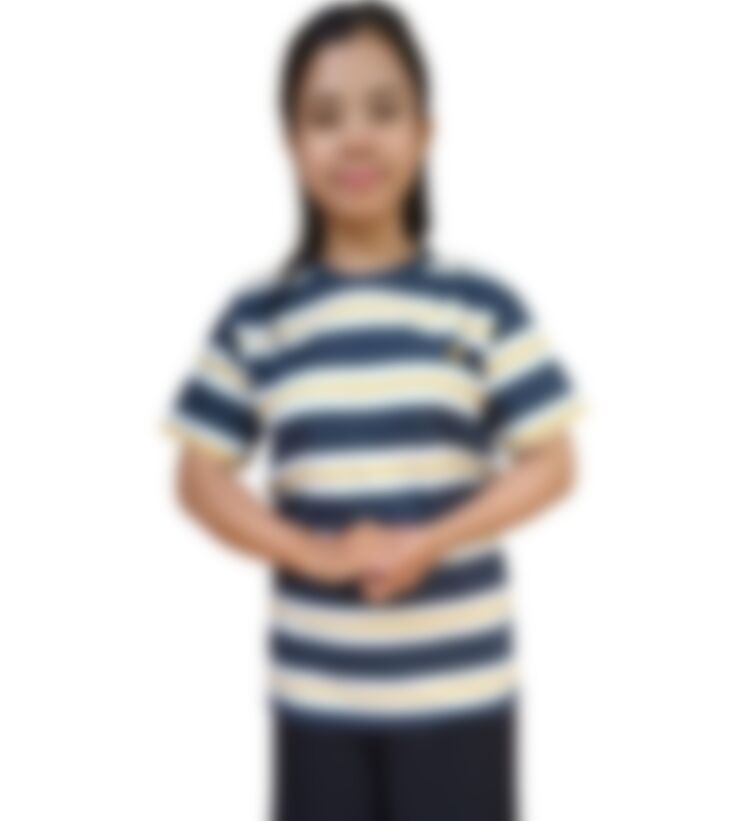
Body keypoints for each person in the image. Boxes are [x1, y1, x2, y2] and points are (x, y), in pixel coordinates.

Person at [163, 3, 585, 819]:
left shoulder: (480, 303)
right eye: (325, 117)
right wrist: (313, 554)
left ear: (424, 134)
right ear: (292, 145)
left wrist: (432, 539)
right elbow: (197, 476)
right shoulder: (260, 316)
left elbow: (553, 462)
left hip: (460, 691)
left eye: (383, 111)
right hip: (319, 694)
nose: (355, 139)